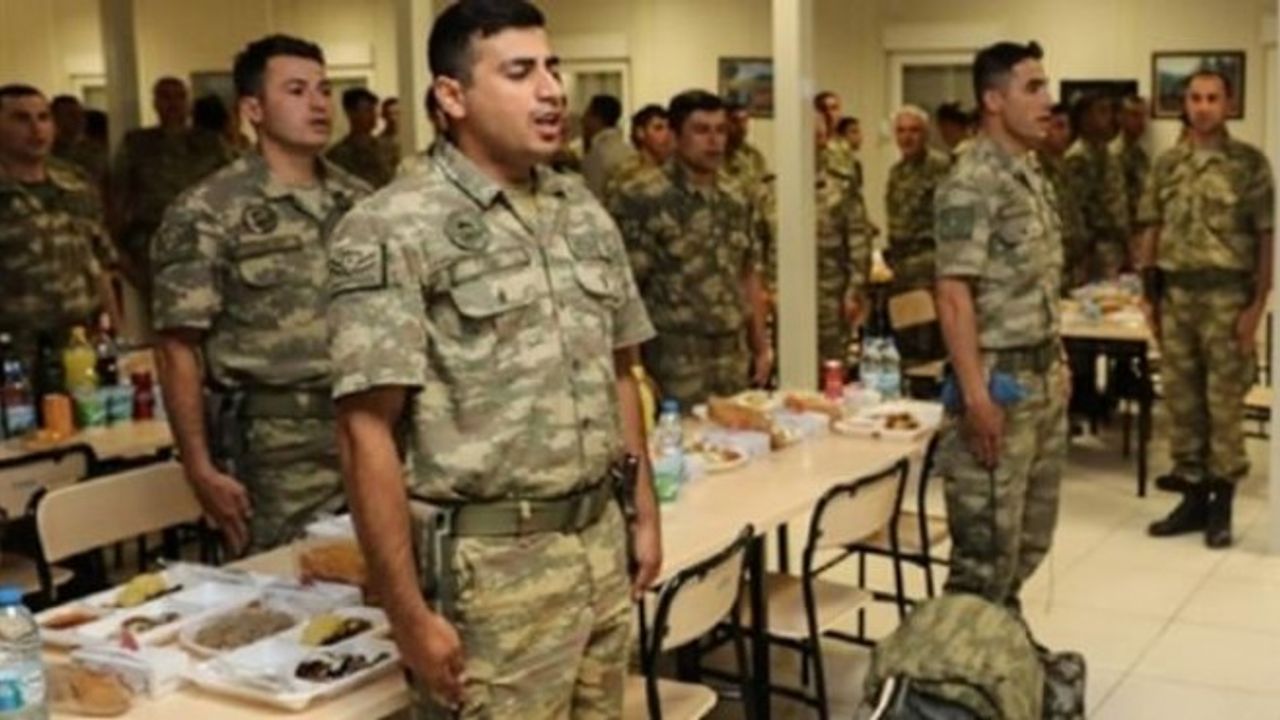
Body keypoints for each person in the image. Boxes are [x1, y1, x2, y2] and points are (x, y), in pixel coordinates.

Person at [326, 1, 662, 716]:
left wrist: (643, 512)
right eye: (520, 72)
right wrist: (407, 614)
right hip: (492, 580)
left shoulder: (581, 211)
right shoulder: (392, 226)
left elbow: (621, 373)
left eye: (552, 68)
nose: (551, 90)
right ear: (452, 96)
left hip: (598, 550)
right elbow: (364, 432)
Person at [151, 35, 370, 556]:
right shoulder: (209, 209)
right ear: (253, 110)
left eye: (324, 90)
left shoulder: (360, 202)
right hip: (276, 448)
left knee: (378, 579)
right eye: (296, 90)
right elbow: (177, 347)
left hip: (368, 426)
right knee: (287, 583)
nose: (318, 104)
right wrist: (198, 466)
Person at [934, 41, 1066, 610]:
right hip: (996, 384)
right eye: (1032, 88)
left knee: (1029, 538)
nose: (1048, 100)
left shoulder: (1029, 174)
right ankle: (962, 657)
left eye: (1045, 85)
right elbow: (953, 293)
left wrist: (1059, 360)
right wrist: (975, 396)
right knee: (984, 557)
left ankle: (1002, 647)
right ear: (993, 100)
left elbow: (1038, 282)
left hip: (1041, 380)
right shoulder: (971, 180)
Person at [1140, 70, 1273, 549]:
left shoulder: (1249, 165)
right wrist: (1148, 296)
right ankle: (1192, 499)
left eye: (1212, 98)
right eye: (1195, 98)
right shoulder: (1167, 164)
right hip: (1176, 297)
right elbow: (1151, 229)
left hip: (1227, 299)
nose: (1202, 107)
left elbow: (1266, 238)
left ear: (1228, 104)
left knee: (1224, 405)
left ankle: (1222, 506)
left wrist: (1257, 306)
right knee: (1182, 402)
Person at [609, 89, 772, 407]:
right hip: (672, 360)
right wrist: (634, 372)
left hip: (732, 358)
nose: (714, 141)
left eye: (720, 130)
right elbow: (626, 292)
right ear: (675, 135)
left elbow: (748, 274)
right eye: (701, 130)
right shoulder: (641, 198)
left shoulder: (737, 197)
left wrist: (761, 346)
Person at [0, 84, 120, 368]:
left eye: (43, 118)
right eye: (21, 119)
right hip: (15, 349)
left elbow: (100, 266)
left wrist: (116, 331)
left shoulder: (76, 183)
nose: (36, 129)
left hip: (81, 343)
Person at [112, 76, 234, 292]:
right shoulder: (137, 143)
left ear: (188, 103)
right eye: (165, 97)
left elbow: (231, 189)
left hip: (202, 239)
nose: (173, 104)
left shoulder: (211, 143)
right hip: (151, 241)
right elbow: (118, 195)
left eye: (179, 97)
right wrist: (117, 247)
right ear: (155, 103)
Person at [885, 104, 951, 366]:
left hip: (930, 267)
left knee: (932, 348)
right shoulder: (896, 173)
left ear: (926, 134)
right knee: (907, 345)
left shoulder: (941, 168)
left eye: (914, 130)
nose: (907, 137)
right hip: (902, 270)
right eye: (901, 131)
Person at [1064, 92, 1130, 279]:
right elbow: (1079, 211)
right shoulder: (1078, 158)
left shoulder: (1105, 152)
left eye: (1110, 111)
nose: (1110, 118)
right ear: (1085, 119)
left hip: (1115, 243)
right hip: (1095, 248)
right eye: (1102, 111)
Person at [1038, 102, 1087, 290]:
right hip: (1050, 261)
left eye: (1068, 127)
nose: (1066, 133)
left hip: (1074, 260)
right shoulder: (1037, 168)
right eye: (1059, 126)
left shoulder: (1064, 167)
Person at [326, 87, 394, 188]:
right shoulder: (338, 155)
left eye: (374, 110)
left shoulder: (386, 148)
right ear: (351, 113)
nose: (373, 116)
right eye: (367, 110)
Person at [602, 103, 672, 198]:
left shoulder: (674, 171)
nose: (667, 134)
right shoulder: (625, 173)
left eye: (669, 128)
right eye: (658, 128)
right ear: (640, 133)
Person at [580, 93, 631, 198]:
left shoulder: (596, 156)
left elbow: (594, 199)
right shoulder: (630, 150)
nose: (583, 119)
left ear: (596, 119)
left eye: (587, 114)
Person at [1111, 94, 1150, 229]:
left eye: (1143, 116)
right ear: (1120, 118)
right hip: (1120, 228)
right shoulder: (1113, 154)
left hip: (1140, 224)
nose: (1141, 122)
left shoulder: (1140, 154)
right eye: (1135, 115)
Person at [50, 94, 107, 184]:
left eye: (81, 114)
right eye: (71, 115)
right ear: (55, 118)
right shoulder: (47, 151)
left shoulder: (94, 151)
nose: (79, 119)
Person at [721, 100, 768, 188]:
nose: (741, 126)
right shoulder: (714, 153)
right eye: (735, 120)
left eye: (744, 120)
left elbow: (766, 184)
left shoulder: (754, 155)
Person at [377, 96, 402, 171]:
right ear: (383, 115)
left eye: (397, 113)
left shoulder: (411, 138)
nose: (393, 118)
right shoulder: (378, 143)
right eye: (389, 114)